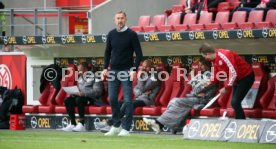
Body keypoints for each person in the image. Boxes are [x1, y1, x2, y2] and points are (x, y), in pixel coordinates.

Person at [143, 57, 218, 134]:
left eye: (202, 65)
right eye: (199, 65)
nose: (200, 67)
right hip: (194, 98)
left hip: (203, 100)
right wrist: (196, 87)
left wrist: (197, 89)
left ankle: (159, 123)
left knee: (177, 101)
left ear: (207, 65)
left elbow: (196, 90)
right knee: (173, 101)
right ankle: (164, 126)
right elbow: (194, 89)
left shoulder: (211, 75)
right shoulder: (200, 75)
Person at [102, 11, 143, 136]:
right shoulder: (111, 34)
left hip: (127, 71)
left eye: (122, 18)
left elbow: (139, 54)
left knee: (127, 100)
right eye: (118, 18)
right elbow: (107, 52)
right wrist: (105, 68)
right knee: (112, 98)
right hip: (113, 70)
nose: (120, 20)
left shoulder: (132, 34)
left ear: (126, 19)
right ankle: (116, 125)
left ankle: (126, 128)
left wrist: (134, 70)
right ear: (115, 20)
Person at [95, 60, 161, 132]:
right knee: (120, 103)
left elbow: (142, 88)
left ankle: (111, 123)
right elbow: (136, 89)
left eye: (147, 67)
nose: (144, 69)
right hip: (139, 98)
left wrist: (141, 79)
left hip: (147, 100)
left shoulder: (155, 75)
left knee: (128, 103)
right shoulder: (144, 75)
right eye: (144, 67)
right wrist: (141, 92)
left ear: (152, 67)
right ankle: (115, 124)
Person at [199, 43, 255, 119]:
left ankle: (240, 122)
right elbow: (216, 73)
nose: (205, 58)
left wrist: (226, 88)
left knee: (235, 102)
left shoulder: (225, 55)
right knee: (235, 103)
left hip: (246, 77)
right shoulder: (213, 60)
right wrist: (210, 82)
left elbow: (234, 73)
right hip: (237, 79)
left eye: (205, 56)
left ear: (208, 53)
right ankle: (239, 121)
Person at [62, 62, 104, 132]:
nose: (79, 72)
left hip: (92, 99)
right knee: (68, 100)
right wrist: (75, 92)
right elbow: (81, 89)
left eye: (80, 70)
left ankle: (81, 124)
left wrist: (84, 94)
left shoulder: (96, 76)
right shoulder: (80, 78)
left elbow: (98, 91)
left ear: (86, 69)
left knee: (79, 99)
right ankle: (73, 123)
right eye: (78, 70)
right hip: (81, 98)